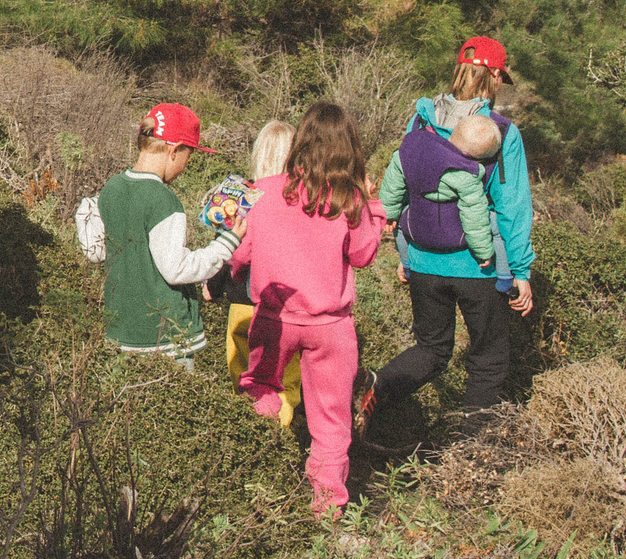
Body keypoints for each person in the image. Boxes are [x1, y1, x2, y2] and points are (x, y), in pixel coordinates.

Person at [228, 102, 392, 518]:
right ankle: (327, 506)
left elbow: (239, 254)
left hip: (273, 318)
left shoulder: (262, 191)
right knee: (331, 420)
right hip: (331, 327)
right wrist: (374, 207)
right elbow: (363, 255)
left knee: (260, 387)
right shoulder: (349, 198)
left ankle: (254, 478)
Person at [368, 36, 537, 425]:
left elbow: (408, 185)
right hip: (479, 266)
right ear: (493, 75)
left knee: (431, 349)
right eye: (500, 78)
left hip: (425, 259)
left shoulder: (421, 121)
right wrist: (521, 271)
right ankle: (472, 451)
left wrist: (405, 255)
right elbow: (512, 207)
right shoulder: (501, 132)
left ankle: (374, 390)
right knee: (489, 358)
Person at [74, 103, 237, 366]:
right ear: (174, 151)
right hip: (167, 338)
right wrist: (226, 244)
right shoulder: (164, 201)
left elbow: (98, 251)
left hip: (121, 331)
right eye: (189, 154)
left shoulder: (112, 188)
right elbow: (176, 269)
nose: (187, 164)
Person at [209, 119, 304, 425]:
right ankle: (282, 433)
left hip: (242, 300)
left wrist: (213, 283)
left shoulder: (241, 196)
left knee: (243, 374)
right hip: (287, 307)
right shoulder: (302, 200)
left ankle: (248, 433)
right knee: (286, 378)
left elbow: (228, 247)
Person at [380, 111, 512, 292]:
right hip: (453, 233)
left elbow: (393, 180)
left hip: (416, 225)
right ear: (471, 156)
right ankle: (505, 277)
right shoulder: (468, 173)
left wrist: (388, 212)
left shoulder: (415, 147)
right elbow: (475, 215)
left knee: (400, 224)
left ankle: (407, 263)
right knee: (497, 226)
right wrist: (483, 251)